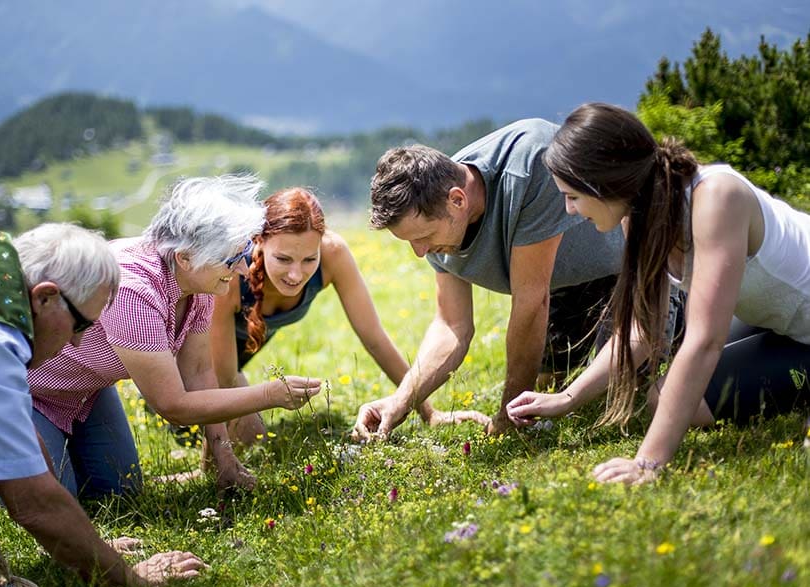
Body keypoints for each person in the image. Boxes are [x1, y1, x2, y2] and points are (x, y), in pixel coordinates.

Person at [0, 223, 204, 587]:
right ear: (46, 297)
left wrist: (88, 547)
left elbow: (23, 436)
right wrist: (130, 580)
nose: (80, 340)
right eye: (81, 324)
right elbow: (33, 500)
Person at [506, 102, 810, 484]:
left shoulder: (717, 198)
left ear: (605, 183)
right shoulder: (639, 215)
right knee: (662, 399)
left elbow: (704, 341)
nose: (569, 210)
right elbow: (643, 330)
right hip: (781, 324)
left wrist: (647, 462)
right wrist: (568, 398)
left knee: (680, 399)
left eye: (572, 196)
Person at [28, 176, 322, 498]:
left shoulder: (201, 281)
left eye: (243, 254)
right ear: (185, 257)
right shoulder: (133, 291)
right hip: (33, 393)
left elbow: (198, 373)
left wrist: (223, 457)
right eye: (231, 260)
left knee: (120, 491)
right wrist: (269, 395)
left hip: (87, 394)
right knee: (55, 496)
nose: (241, 270)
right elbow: (173, 405)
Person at [352, 119, 625, 440]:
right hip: (563, 284)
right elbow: (452, 326)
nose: (420, 253)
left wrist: (509, 414)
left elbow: (531, 303)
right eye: (410, 242)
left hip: (629, 271)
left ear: (458, 200)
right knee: (551, 387)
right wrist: (400, 402)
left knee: (623, 394)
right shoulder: (436, 206)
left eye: (424, 237)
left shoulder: (531, 164)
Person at [207, 186, 489, 444]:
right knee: (244, 439)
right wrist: (220, 453)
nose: (296, 274)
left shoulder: (333, 254)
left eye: (309, 259)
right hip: (190, 364)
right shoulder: (232, 274)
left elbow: (374, 339)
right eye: (283, 259)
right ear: (260, 241)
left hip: (234, 369)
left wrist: (429, 412)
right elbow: (222, 379)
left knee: (250, 438)